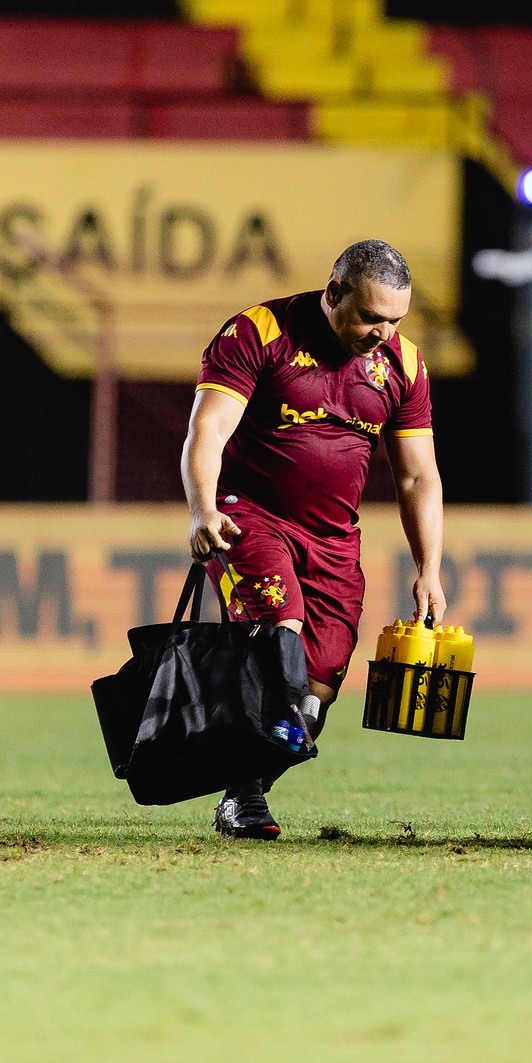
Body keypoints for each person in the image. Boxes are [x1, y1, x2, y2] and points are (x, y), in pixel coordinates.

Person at [184, 239, 446, 840]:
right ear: (333, 295)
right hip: (249, 516)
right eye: (372, 317)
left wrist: (429, 568)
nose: (384, 332)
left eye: (395, 319)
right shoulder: (259, 332)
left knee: (317, 688)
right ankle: (246, 795)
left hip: (333, 543)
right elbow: (209, 429)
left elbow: (417, 475)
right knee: (283, 632)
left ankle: (242, 791)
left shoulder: (402, 365)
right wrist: (201, 509)